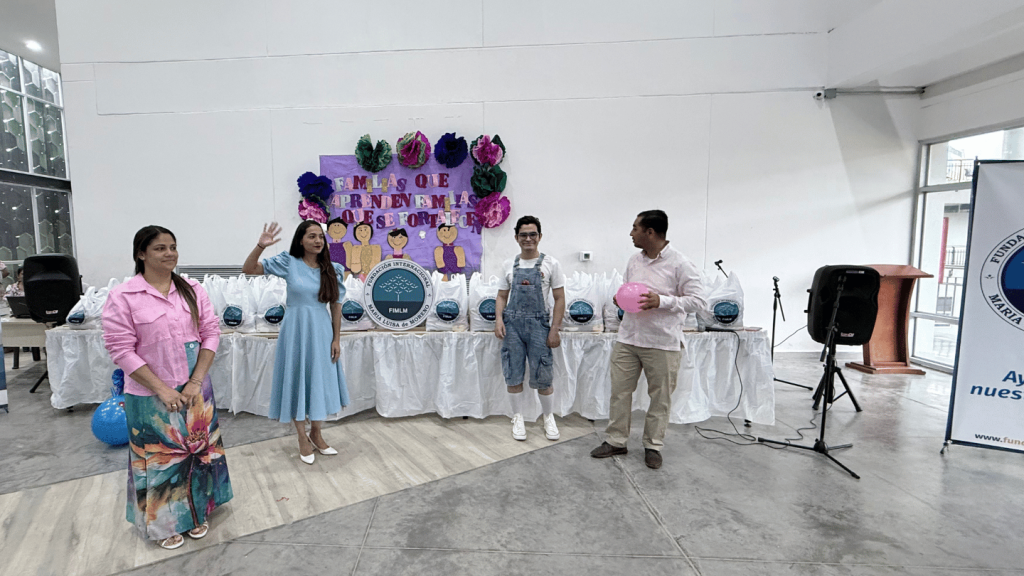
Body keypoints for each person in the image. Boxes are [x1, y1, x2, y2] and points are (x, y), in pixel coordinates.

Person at [102, 225, 233, 550]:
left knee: (199, 455)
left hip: (195, 390)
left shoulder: (191, 289)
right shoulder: (124, 296)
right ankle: (164, 523)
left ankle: (197, 511)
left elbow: (210, 333)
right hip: (149, 394)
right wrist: (162, 389)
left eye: (172, 247)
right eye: (160, 248)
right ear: (141, 254)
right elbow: (121, 349)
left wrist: (195, 382)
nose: (169, 253)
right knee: (159, 461)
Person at [590, 210, 705, 469]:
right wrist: (620, 299)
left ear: (650, 232)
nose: (631, 233)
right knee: (619, 392)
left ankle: (653, 445)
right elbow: (628, 290)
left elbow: (698, 301)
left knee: (660, 397)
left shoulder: (681, 264)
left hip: (662, 342)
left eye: (635, 228)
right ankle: (616, 440)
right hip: (629, 338)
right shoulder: (634, 261)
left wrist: (661, 301)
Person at [243, 221, 349, 464]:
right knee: (297, 379)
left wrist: (336, 338)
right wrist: (261, 245)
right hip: (295, 331)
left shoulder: (333, 269)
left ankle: (316, 433)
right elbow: (248, 269)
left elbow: (336, 306)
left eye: (320, 236)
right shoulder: (288, 262)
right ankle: (302, 437)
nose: (317, 241)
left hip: (322, 331)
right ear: (300, 240)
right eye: (311, 236)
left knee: (318, 380)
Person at [494, 216, 566, 441]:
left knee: (543, 374)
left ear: (540, 236)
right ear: (516, 237)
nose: (528, 239)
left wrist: (554, 329)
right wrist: (498, 320)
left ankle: (548, 417)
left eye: (532, 234)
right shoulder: (508, 264)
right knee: (513, 372)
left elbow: (559, 298)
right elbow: (501, 296)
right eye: (523, 235)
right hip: (512, 327)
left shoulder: (551, 264)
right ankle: (517, 417)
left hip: (539, 326)